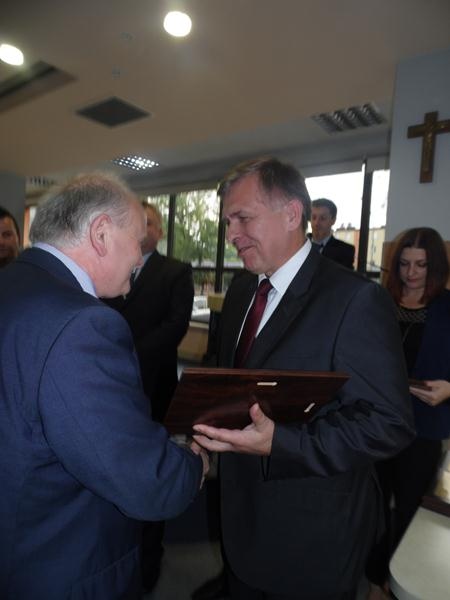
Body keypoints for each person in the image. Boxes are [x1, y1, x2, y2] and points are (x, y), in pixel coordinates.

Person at [192, 157, 414, 600]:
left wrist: (282, 443)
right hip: (241, 516)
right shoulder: (242, 291)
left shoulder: (354, 300)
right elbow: (232, 383)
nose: (231, 234)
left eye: (243, 218)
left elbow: (389, 423)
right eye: (228, 221)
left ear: (292, 214)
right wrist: (206, 427)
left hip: (311, 536)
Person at [0, 173, 208, 600]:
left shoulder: (12, 284)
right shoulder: (81, 324)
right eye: (137, 240)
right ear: (100, 234)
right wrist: (194, 463)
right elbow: (145, 481)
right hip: (60, 566)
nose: (140, 257)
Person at [104, 202, 194, 592]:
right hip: (110, 388)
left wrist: (127, 353)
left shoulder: (176, 271)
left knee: (151, 471)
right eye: (137, 224)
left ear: (158, 230)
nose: (143, 230)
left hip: (155, 386)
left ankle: (149, 559)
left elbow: (175, 326)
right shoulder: (110, 265)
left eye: (150, 223)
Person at [366, 227, 450, 600]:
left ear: (436, 267)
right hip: (375, 420)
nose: (410, 273)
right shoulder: (380, 301)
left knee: (411, 508)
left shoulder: (447, 307)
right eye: (403, 264)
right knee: (372, 505)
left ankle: (391, 580)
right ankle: (374, 576)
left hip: (424, 425)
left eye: (420, 265)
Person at [309, 197, 355, 268]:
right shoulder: (298, 244)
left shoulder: (345, 251)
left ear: (333, 220)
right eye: (313, 217)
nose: (316, 223)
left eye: (323, 218)